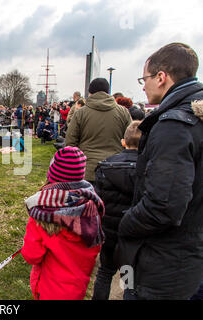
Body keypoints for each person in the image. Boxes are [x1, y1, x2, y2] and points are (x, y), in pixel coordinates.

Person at [117, 42, 203, 300]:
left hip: (163, 261)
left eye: (144, 79)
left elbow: (164, 205)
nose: (143, 86)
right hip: (187, 252)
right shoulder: (194, 118)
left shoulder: (174, 126)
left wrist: (126, 223)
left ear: (161, 77)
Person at [21, 147, 104, 300]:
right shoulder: (92, 208)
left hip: (49, 290)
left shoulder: (42, 213)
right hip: (77, 287)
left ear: (52, 175)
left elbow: (31, 256)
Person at [92, 121, 142, 300]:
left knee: (105, 272)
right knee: (129, 278)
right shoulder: (149, 168)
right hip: (133, 233)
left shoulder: (106, 166)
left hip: (109, 231)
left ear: (123, 142)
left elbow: (97, 201)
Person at [65, 78, 132, 184]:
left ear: (90, 93)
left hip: (87, 170)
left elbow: (70, 143)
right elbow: (131, 141)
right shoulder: (123, 112)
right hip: (115, 169)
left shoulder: (81, 113)